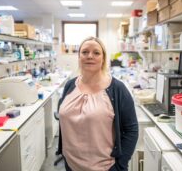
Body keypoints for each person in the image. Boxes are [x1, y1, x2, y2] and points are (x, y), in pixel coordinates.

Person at [57, 37, 138, 171]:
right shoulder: (70, 85)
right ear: (79, 57)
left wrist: (120, 165)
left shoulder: (117, 89)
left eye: (96, 53)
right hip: (71, 165)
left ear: (103, 58)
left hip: (105, 167)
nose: (90, 56)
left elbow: (131, 130)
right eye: (84, 52)